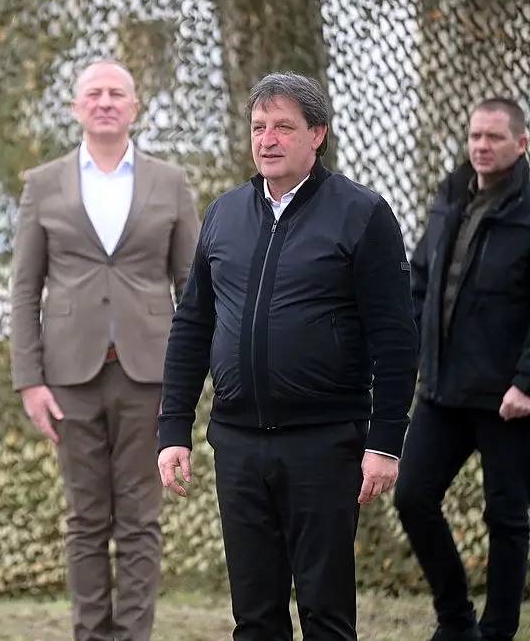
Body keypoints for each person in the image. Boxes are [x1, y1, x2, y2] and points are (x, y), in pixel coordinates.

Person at [157, 72, 419, 641]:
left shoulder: (362, 214)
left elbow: (396, 338)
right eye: (258, 127)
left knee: (326, 617)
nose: (267, 139)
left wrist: (384, 443)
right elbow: (192, 326)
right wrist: (173, 429)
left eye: (283, 126)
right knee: (254, 619)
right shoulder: (224, 214)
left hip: (324, 445)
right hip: (238, 445)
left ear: (316, 134)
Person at [9, 58, 201, 641]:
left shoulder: (170, 182)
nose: (106, 102)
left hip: (150, 377)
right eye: (93, 93)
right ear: (76, 107)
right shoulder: (44, 184)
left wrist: (187, 380)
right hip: (69, 378)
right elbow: (25, 287)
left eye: (117, 93)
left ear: (135, 106)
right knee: (86, 519)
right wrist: (29, 380)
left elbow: (194, 288)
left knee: (141, 519)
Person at [393, 98, 530, 641]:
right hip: (442, 389)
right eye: (475, 135)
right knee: (412, 497)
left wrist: (526, 382)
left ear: (521, 143)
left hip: (506, 398)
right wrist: (412, 352)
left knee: (507, 517)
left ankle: (497, 632)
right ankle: (456, 621)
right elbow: (421, 279)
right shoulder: (451, 194)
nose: (481, 146)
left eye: (494, 137)